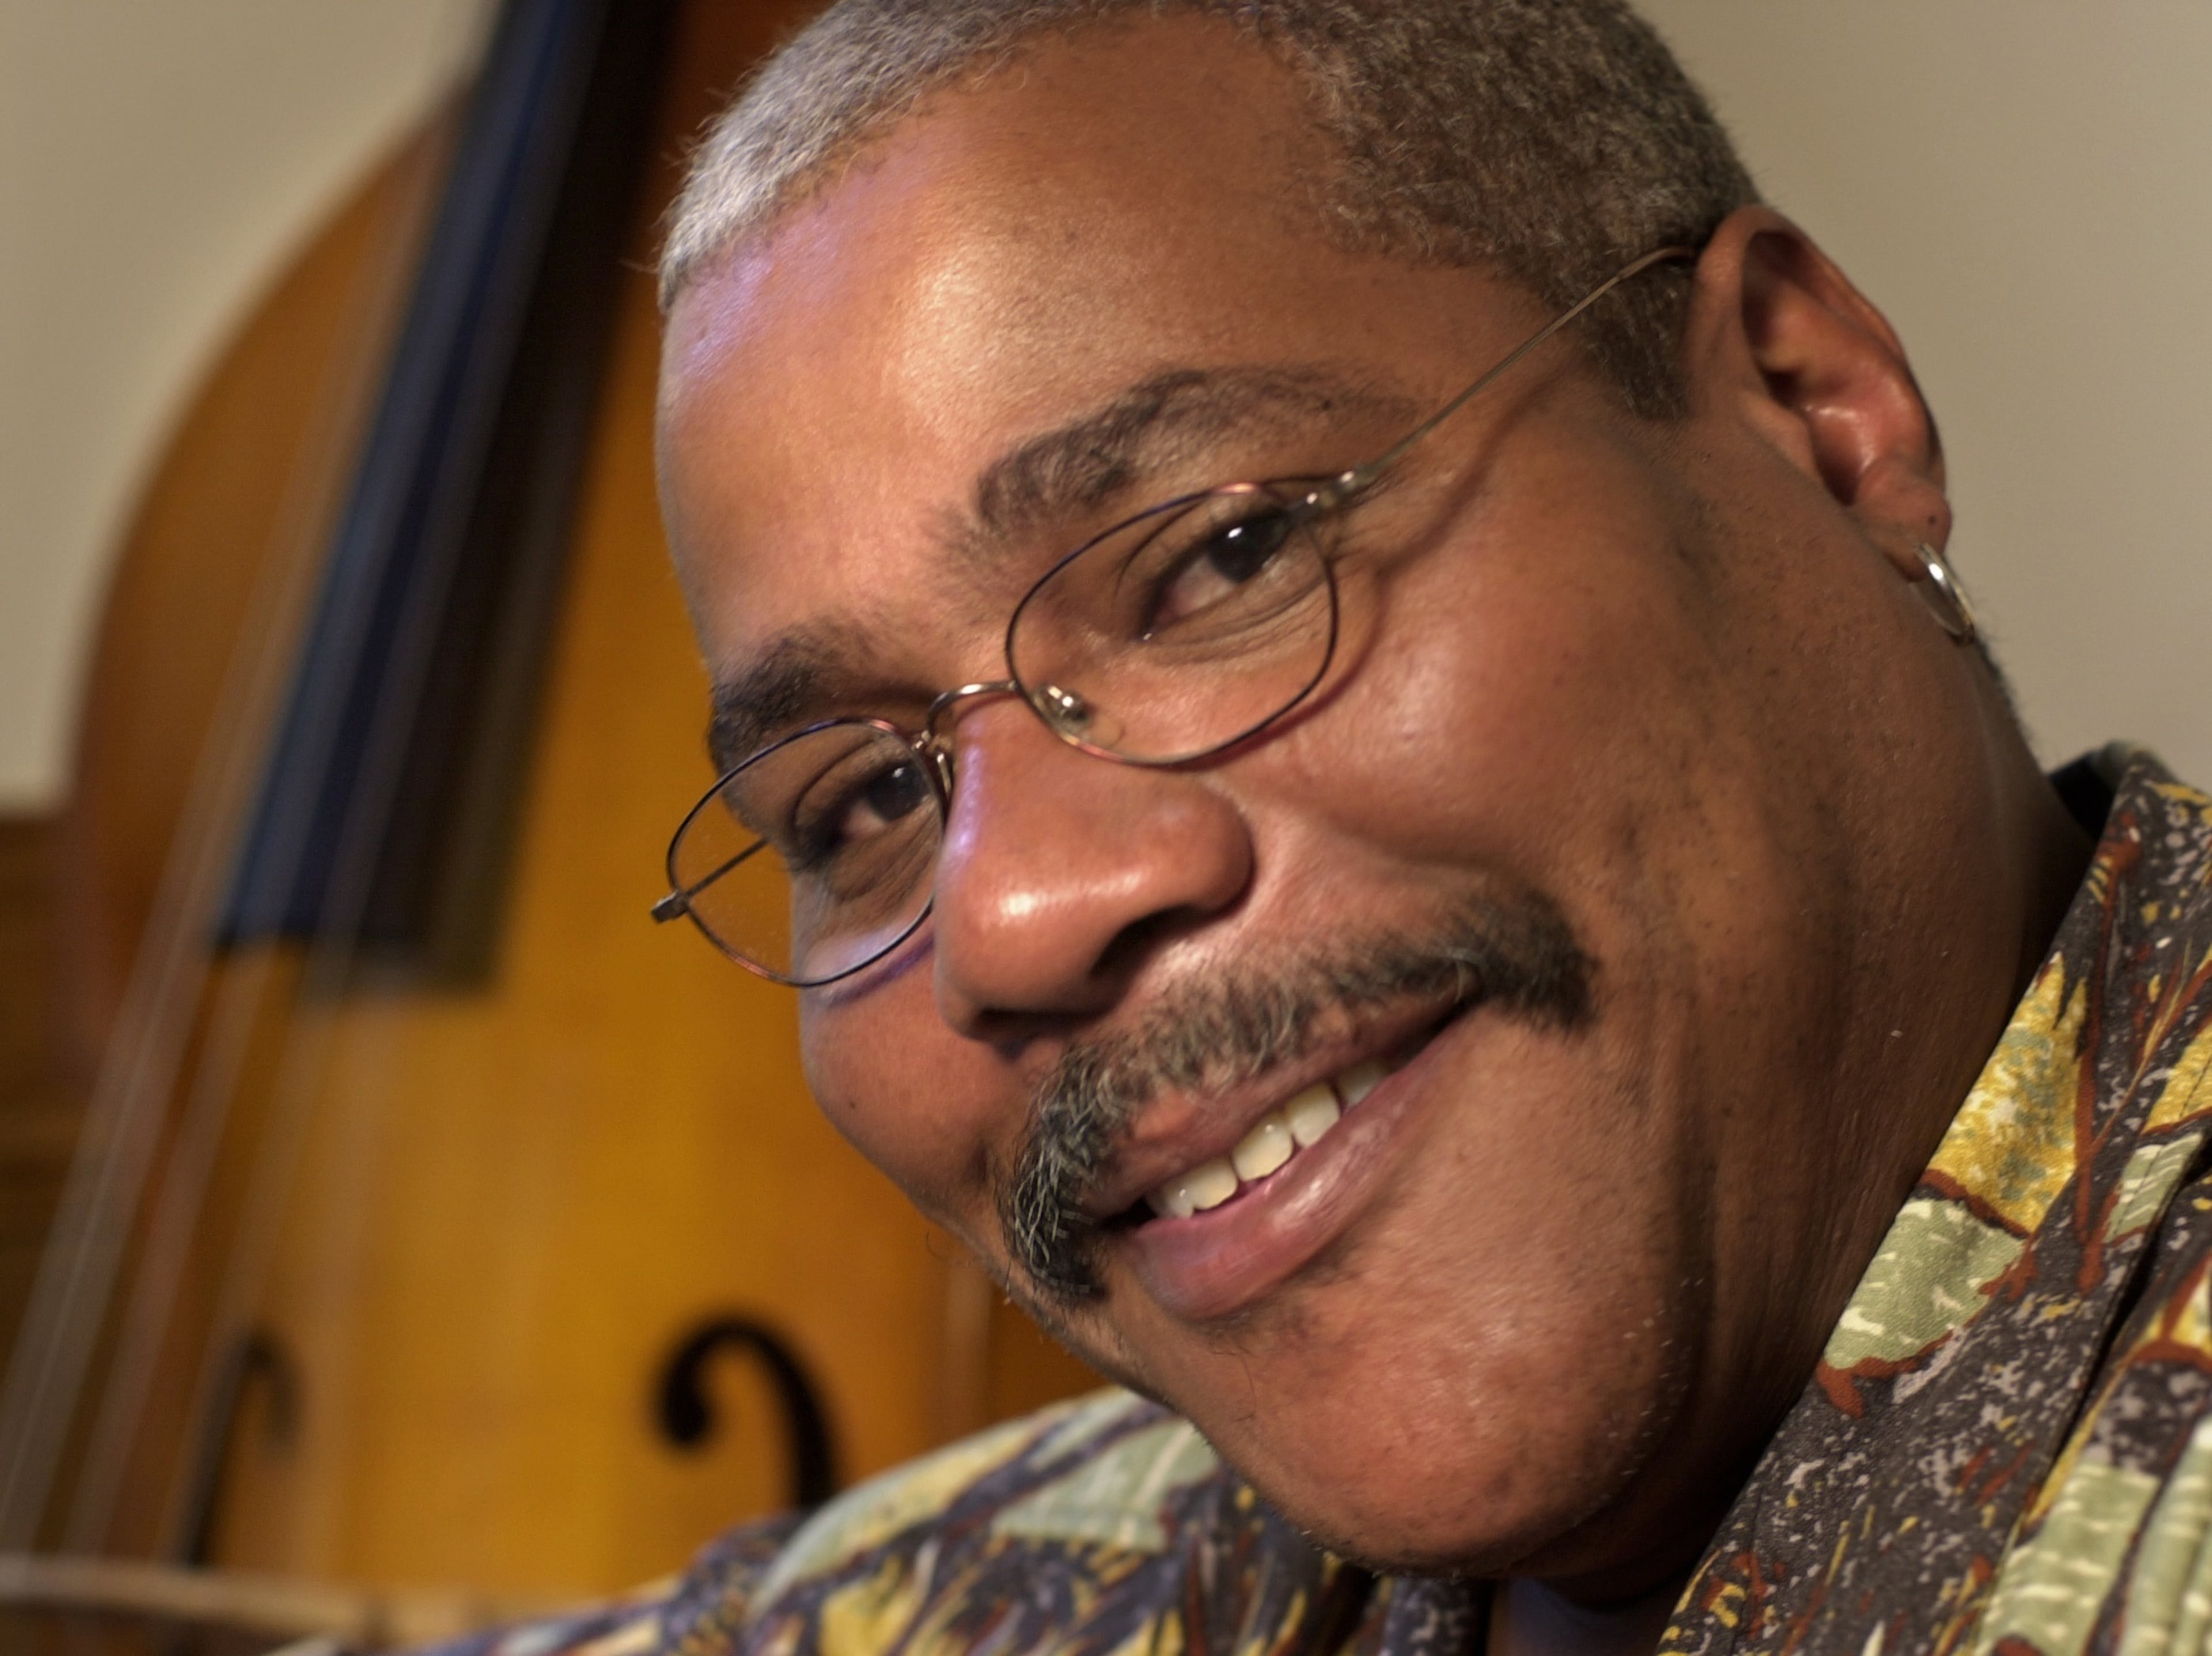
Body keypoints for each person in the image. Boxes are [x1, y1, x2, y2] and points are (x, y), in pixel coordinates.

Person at [448, 2, 2212, 1652]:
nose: (1014, 914)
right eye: (872, 797)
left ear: (1812, 406)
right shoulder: (1030, 1589)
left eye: (1222, 561)